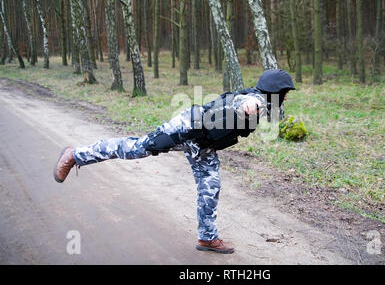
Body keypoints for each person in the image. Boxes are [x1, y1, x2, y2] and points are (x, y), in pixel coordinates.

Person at [53, 69, 295, 254]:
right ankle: (76, 155)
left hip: (203, 143)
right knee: (139, 148)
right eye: (284, 94)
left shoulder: (262, 103)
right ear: (277, 93)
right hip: (186, 128)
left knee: (210, 185)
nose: (285, 99)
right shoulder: (256, 100)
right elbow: (244, 104)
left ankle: (207, 237)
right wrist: (249, 107)